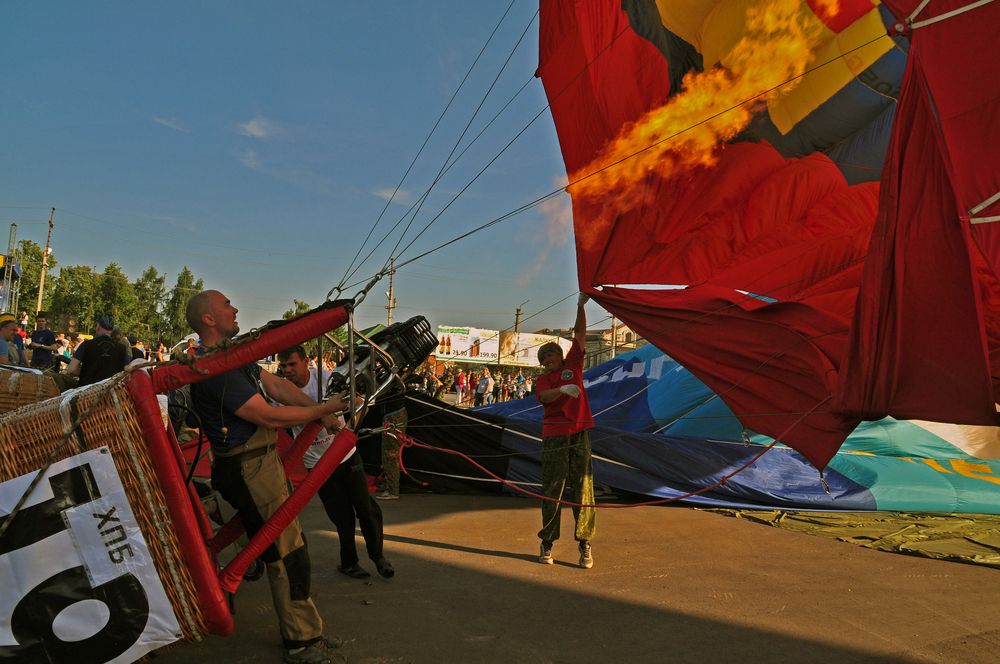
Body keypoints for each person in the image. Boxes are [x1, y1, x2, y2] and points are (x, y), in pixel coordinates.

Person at [186, 290, 347, 664]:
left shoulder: (233, 357)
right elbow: (267, 415)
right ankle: (301, 642)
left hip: (262, 462)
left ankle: (308, 631)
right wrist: (325, 408)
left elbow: (277, 386)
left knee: (286, 544)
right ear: (209, 319)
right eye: (227, 304)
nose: (236, 307)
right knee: (285, 552)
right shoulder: (212, 368)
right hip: (249, 468)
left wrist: (319, 411)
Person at [277, 345, 394, 581]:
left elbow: (362, 401)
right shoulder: (280, 392)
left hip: (346, 455)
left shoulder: (328, 378)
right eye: (283, 366)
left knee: (366, 509)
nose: (287, 370)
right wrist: (323, 413)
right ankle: (349, 563)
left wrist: (350, 428)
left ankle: (378, 556)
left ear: (306, 362)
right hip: (317, 463)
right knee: (342, 517)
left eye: (292, 364)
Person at [534, 293, 595, 569]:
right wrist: (560, 389)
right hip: (554, 437)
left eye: (552, 353)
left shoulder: (574, 365)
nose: (549, 358)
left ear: (561, 355)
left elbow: (580, 333)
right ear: (542, 363)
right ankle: (547, 542)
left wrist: (581, 307)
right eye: (544, 357)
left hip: (579, 433)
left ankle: (584, 543)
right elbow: (545, 397)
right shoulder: (543, 380)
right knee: (553, 489)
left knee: (583, 489)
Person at [66, 316, 132, 386]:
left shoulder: (86, 344)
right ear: (112, 330)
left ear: (98, 327)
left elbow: (71, 369)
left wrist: (86, 371)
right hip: (110, 391)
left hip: (87, 391)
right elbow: (126, 370)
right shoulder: (121, 348)